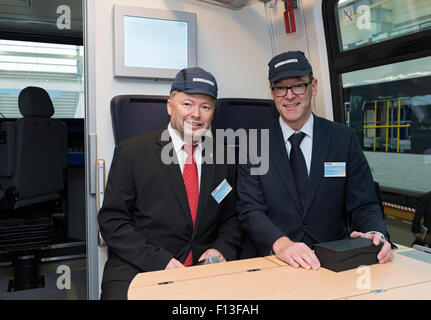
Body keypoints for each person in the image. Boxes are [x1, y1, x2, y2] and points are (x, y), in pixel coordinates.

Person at [237, 51, 393, 269]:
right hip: (275, 260)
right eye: (280, 88)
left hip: (333, 259)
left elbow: (364, 203)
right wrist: (282, 245)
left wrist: (375, 234)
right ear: (272, 93)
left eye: (298, 85)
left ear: (314, 86)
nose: (289, 96)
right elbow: (250, 209)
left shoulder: (342, 139)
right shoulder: (254, 143)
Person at [98, 67, 241, 299]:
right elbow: (112, 221)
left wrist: (221, 248)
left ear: (213, 112)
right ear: (169, 106)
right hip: (139, 263)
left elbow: (230, 217)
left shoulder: (224, 157)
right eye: (187, 104)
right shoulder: (133, 152)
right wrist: (159, 260)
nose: (196, 114)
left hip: (204, 266)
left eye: (205, 107)